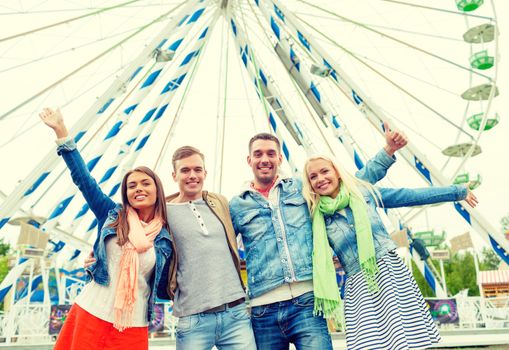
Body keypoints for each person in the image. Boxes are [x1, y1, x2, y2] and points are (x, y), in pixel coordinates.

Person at [229, 124, 407, 349]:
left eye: (271, 153)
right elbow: (218, 245)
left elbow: (349, 184)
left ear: (280, 159)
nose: (264, 159)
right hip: (263, 309)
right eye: (258, 154)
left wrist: (388, 151)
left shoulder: (301, 189)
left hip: (307, 302)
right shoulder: (237, 205)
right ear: (249, 160)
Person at [302, 154, 478, 350]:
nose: (320, 179)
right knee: (368, 343)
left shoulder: (362, 193)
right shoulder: (316, 216)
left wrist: (457, 192)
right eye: (313, 176)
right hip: (358, 283)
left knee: (406, 339)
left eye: (325, 171)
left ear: (337, 172)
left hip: (388, 272)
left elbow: (409, 196)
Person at [39, 107, 172, 350]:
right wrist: (61, 131)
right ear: (126, 193)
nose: (138, 189)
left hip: (133, 324)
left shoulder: (166, 235)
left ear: (157, 190)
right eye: (132, 185)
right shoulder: (112, 215)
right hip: (91, 312)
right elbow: (84, 181)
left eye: (145, 183)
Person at [163, 146, 256, 350]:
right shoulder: (163, 214)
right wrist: (98, 254)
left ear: (205, 173)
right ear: (174, 175)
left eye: (198, 169)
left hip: (236, 315)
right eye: (185, 170)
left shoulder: (220, 202)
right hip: (192, 318)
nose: (192, 175)